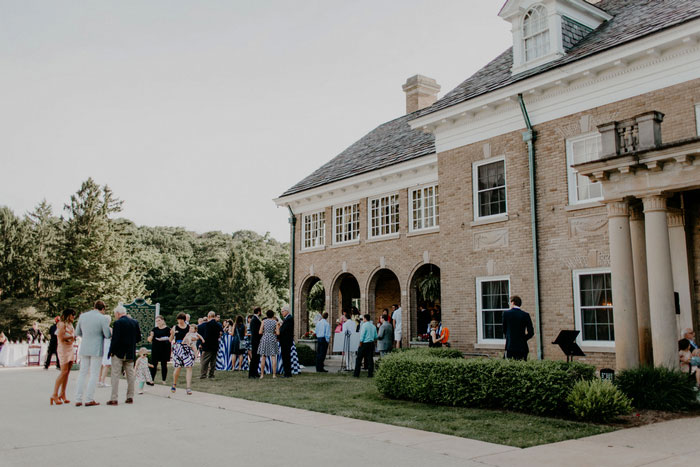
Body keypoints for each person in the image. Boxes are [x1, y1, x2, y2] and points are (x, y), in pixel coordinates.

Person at [74, 300, 112, 407]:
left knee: (82, 373)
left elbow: (77, 332)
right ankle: (89, 399)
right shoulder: (102, 318)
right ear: (103, 309)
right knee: (94, 374)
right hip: (96, 348)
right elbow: (107, 334)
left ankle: (78, 398)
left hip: (85, 347)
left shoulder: (83, 316)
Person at [107, 305, 141, 406]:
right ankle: (130, 397)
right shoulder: (134, 322)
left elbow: (115, 339)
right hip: (130, 352)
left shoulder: (118, 323)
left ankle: (114, 398)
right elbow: (138, 338)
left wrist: (111, 351)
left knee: (115, 375)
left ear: (117, 313)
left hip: (119, 352)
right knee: (130, 375)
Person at [50, 309, 76, 405]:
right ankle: (54, 394)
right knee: (63, 372)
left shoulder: (70, 324)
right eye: (72, 315)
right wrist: (71, 338)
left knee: (67, 373)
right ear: (68, 315)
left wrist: (72, 338)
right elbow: (60, 338)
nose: (74, 317)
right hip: (63, 349)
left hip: (70, 347)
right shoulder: (61, 324)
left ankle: (63, 393)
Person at [502, 295, 534, 361]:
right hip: (522, 347)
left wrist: (510, 337)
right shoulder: (525, 315)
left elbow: (504, 330)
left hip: (510, 346)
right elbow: (531, 332)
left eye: (509, 303)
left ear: (512, 302)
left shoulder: (506, 314)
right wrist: (523, 339)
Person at [170, 313, 195, 395]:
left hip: (187, 347)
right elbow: (171, 339)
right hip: (178, 347)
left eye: (181, 319)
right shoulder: (175, 327)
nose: (180, 321)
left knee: (189, 367)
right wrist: (171, 334)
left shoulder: (188, 327)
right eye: (178, 319)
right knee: (178, 367)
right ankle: (174, 384)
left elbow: (193, 336)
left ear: (184, 320)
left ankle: (188, 387)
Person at [148, 315, 171, 383]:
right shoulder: (154, 329)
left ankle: (164, 380)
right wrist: (151, 335)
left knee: (164, 364)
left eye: (159, 320)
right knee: (154, 364)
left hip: (164, 348)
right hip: (156, 348)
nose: (158, 322)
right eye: (156, 321)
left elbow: (170, 339)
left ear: (163, 321)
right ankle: (152, 379)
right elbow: (149, 340)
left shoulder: (168, 329)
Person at [200, 311, 223, 379]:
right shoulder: (218, 324)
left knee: (205, 361)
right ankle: (211, 374)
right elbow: (220, 333)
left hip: (208, 344)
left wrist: (202, 343)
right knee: (213, 361)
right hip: (215, 344)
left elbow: (206, 335)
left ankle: (203, 374)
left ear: (209, 316)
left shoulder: (207, 324)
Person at [258, 310, 280, 379]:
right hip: (272, 338)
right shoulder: (275, 322)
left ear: (266, 315)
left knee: (263, 357)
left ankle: (262, 375)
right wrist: (274, 331)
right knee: (273, 357)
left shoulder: (263, 321)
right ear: (273, 315)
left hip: (265, 338)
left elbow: (260, 332)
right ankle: (274, 375)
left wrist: (265, 331)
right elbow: (278, 333)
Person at [279, 305, 294, 378]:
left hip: (286, 341)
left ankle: (287, 373)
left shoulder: (289, 318)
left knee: (286, 357)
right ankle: (287, 372)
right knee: (285, 357)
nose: (282, 313)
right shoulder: (287, 318)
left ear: (286, 311)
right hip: (285, 341)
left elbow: (283, 330)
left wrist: (278, 331)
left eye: (282, 311)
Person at [97, 319, 113, 388]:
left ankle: (99, 380)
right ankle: (102, 381)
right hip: (107, 345)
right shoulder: (109, 329)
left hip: (101, 345)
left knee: (101, 364)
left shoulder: (99, 329)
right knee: (106, 364)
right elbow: (112, 337)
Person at [248, 308, 263, 378]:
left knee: (256, 357)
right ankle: (252, 373)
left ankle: (255, 372)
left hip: (256, 340)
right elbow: (255, 331)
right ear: (259, 312)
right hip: (255, 341)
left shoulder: (254, 319)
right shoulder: (254, 320)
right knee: (254, 357)